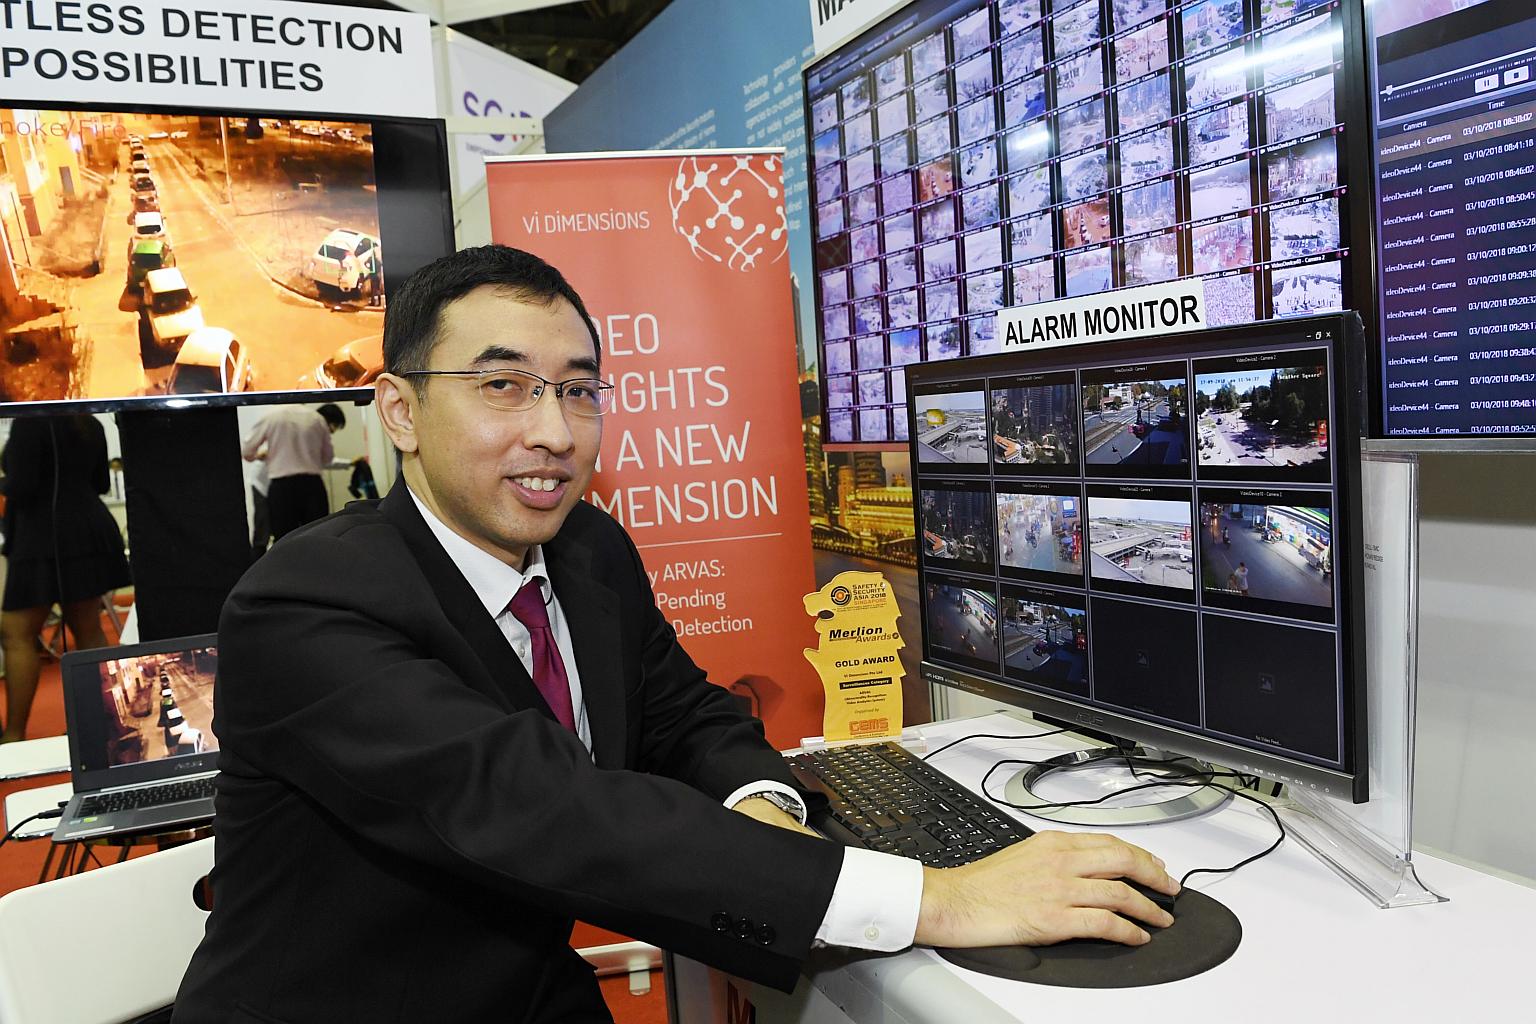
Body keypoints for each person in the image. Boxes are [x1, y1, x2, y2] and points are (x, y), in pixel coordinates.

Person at [173, 246, 1176, 1023]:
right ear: (399, 410)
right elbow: (544, 811)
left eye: (578, 389)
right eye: (503, 385)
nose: (554, 432)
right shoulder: (306, 604)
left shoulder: (587, 550)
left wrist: (764, 805)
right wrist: (942, 898)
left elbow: (684, 713)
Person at [0, 416, 131, 742]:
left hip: (40, 538)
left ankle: (13, 735)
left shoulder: (29, 422)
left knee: (16, 634)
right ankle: (99, 731)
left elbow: (21, 486)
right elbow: (101, 483)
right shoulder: (90, 422)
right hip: (87, 532)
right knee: (89, 630)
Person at [240, 403, 347, 543]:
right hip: (312, 487)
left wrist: (261, 455)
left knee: (284, 540)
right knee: (317, 538)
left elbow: (247, 451)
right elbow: (328, 457)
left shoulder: (272, 416)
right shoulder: (317, 419)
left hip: (282, 488)